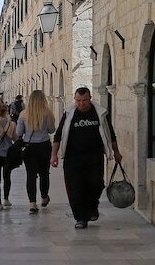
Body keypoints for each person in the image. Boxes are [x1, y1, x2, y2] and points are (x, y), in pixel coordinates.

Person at [51, 87, 122, 229]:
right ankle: (81, 218)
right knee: (75, 189)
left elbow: (111, 134)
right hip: (73, 158)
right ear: (75, 100)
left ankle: (92, 206)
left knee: (96, 184)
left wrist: (116, 152)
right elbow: (58, 135)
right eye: (78, 100)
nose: (81, 104)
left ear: (90, 99)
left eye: (84, 100)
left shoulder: (100, 113)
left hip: (94, 157)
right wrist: (54, 155)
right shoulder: (69, 114)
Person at [16, 90, 55, 214]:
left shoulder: (23, 114)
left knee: (30, 175)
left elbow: (18, 133)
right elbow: (51, 130)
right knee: (44, 173)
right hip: (44, 146)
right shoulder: (47, 112)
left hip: (29, 147)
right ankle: (44, 198)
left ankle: (32, 203)